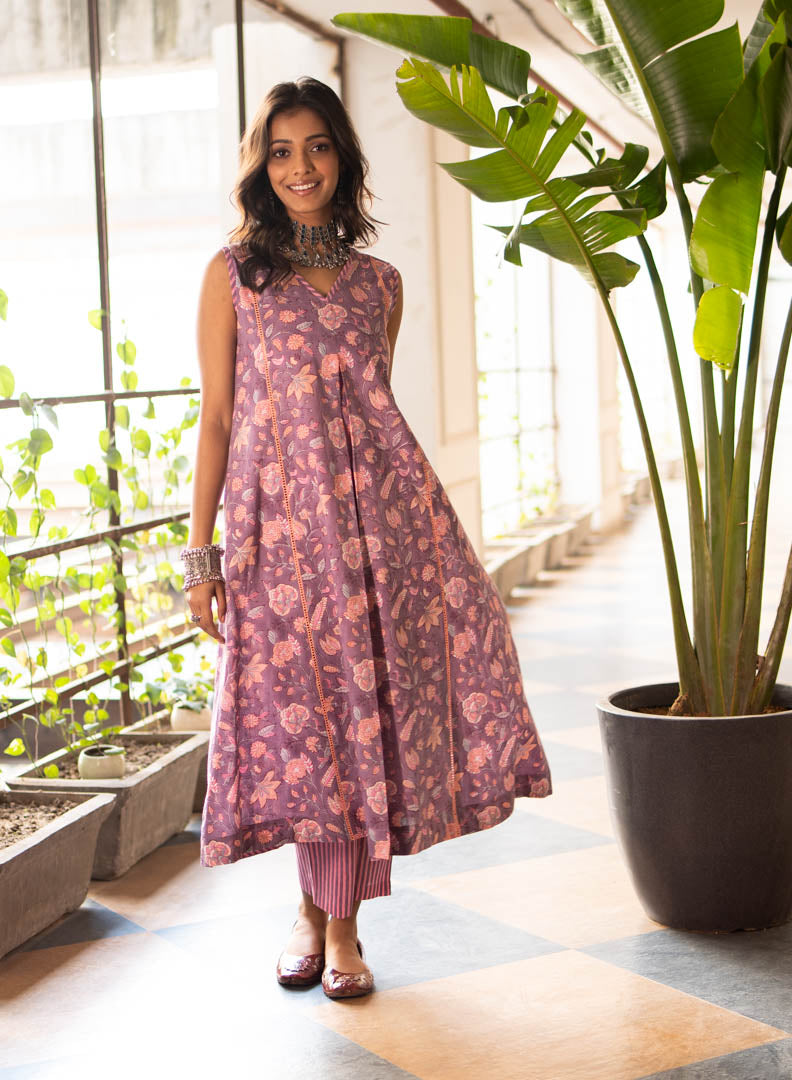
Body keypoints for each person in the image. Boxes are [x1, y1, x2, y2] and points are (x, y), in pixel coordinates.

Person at [181, 76, 552, 1000]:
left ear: (342, 158)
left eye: (317, 147)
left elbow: (371, 420)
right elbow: (220, 417)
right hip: (276, 545)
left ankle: (337, 928)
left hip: (381, 538)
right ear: (260, 166)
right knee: (300, 732)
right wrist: (203, 557)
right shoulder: (233, 275)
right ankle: (311, 912)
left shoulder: (380, 284)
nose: (300, 167)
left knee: (359, 724)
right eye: (280, 150)